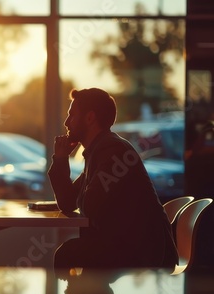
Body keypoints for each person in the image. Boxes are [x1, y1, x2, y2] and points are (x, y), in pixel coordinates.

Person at [48, 88, 178, 275]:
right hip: (130, 244)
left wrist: (81, 190)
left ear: (90, 118)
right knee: (72, 251)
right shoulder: (100, 150)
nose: (66, 123)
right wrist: (60, 160)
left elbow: (90, 206)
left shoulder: (113, 151)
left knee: (67, 253)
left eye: (72, 115)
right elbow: (68, 202)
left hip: (142, 251)